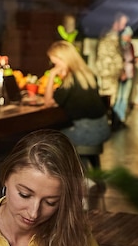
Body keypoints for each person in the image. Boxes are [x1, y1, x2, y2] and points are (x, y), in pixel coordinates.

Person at [43, 40, 111, 169]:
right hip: (102, 127)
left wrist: (52, 75)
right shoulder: (88, 75)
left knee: (50, 140)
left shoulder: (70, 81)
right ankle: (95, 176)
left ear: (62, 59)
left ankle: (77, 178)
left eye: (55, 62)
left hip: (87, 131)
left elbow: (48, 102)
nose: (53, 65)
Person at [95, 12, 128, 130]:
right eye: (123, 24)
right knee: (108, 101)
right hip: (108, 75)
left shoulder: (111, 36)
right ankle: (106, 125)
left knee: (109, 101)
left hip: (110, 74)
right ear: (116, 22)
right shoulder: (110, 37)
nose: (124, 27)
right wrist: (120, 71)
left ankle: (109, 124)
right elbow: (112, 58)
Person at [113, 25, 136, 127]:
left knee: (125, 97)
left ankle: (121, 119)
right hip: (121, 74)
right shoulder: (119, 46)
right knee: (118, 97)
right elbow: (119, 60)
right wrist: (122, 72)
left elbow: (130, 58)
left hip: (129, 73)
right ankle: (115, 118)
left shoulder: (130, 46)